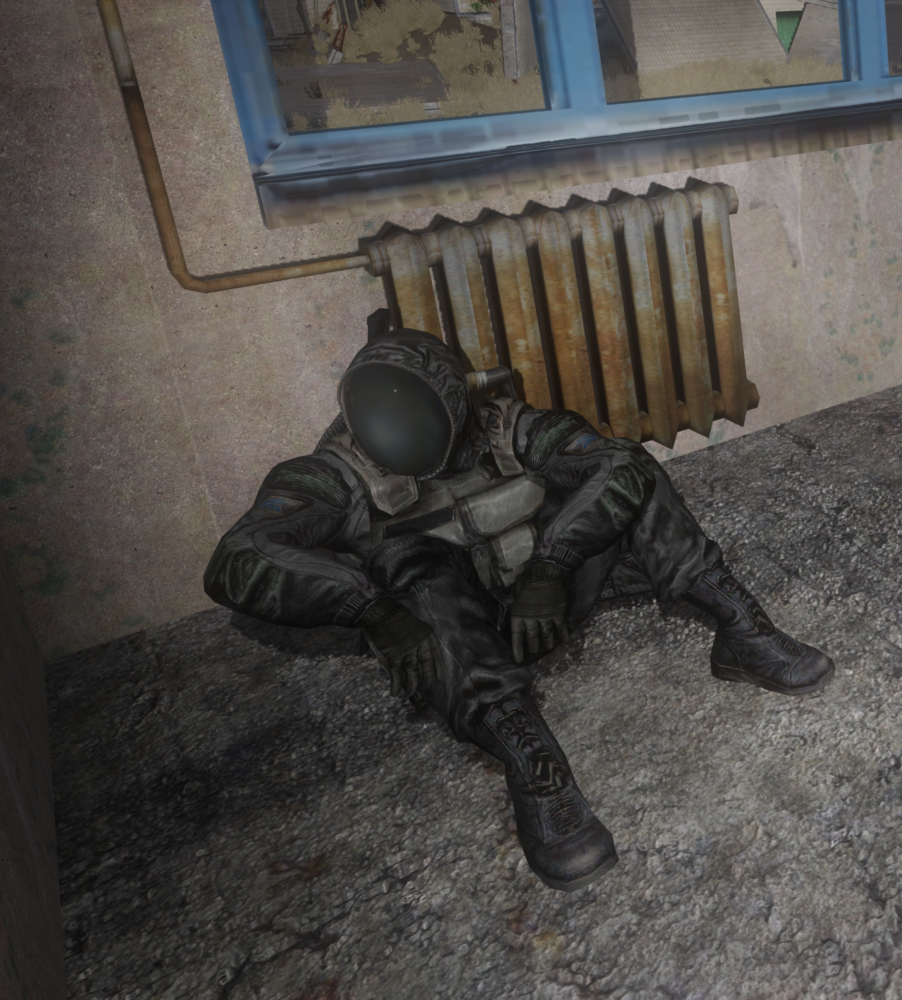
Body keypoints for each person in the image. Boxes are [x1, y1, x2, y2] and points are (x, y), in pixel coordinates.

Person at [203, 315, 834, 890]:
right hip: (460, 641)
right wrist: (369, 608)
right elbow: (240, 557)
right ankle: (536, 769)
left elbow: (617, 464)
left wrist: (552, 564)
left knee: (631, 472)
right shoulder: (332, 474)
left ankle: (740, 630)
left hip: (548, 598)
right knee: (411, 566)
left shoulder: (508, 426)